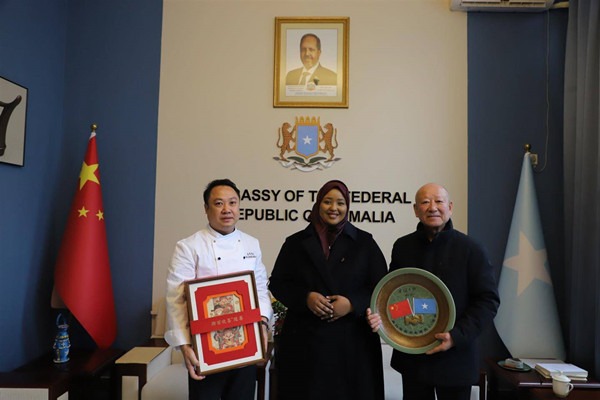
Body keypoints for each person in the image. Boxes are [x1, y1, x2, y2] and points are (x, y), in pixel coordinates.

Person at [368, 183, 500, 400]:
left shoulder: (471, 249)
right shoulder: (403, 246)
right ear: (415, 210)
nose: (433, 207)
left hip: (456, 358)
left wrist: (456, 336)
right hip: (413, 358)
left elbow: (488, 301)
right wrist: (381, 316)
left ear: (450, 207)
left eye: (439, 201)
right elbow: (392, 293)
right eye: (425, 202)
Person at [269, 180, 387, 400]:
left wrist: (352, 304)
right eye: (327, 202)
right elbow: (278, 283)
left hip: (353, 343)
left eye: (340, 203)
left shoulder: (365, 243)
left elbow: (382, 287)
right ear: (318, 204)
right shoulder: (295, 243)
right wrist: (306, 298)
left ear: (347, 206)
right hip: (305, 341)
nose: (334, 208)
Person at [164, 178, 273, 400]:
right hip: (205, 349)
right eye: (218, 203)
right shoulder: (189, 246)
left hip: (244, 345)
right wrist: (184, 345)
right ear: (206, 209)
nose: (227, 209)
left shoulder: (251, 244)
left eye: (232, 203)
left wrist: (262, 324)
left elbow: (260, 288)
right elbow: (176, 299)